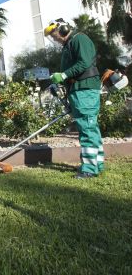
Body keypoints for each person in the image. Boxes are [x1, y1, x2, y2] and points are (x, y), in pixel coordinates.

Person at [44, 18, 102, 179]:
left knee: (87, 128)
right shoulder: (68, 45)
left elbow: (84, 63)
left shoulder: (79, 39)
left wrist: (63, 75)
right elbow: (73, 69)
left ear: (64, 28)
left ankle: (89, 169)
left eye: (55, 34)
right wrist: (59, 81)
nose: (54, 38)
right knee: (91, 127)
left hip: (85, 89)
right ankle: (97, 163)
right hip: (78, 89)